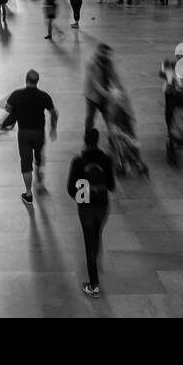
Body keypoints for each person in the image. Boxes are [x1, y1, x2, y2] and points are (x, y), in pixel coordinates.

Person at [66, 127, 116, 298]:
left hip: (86, 206)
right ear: (97, 140)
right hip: (102, 206)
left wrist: (82, 196)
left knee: (89, 245)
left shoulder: (78, 160)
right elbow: (111, 186)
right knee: (96, 234)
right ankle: (96, 259)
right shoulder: (105, 159)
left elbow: (70, 188)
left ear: (85, 140)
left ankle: (93, 286)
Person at [0, 70, 58, 206]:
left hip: (24, 133)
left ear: (26, 80)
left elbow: (8, 108)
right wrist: (53, 128)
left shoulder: (17, 94)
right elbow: (54, 113)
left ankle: (28, 193)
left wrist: (15, 109)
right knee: (38, 156)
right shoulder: (44, 96)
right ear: (37, 81)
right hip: (39, 133)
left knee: (26, 164)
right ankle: (39, 177)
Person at [83, 43, 121, 132]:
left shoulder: (108, 62)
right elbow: (95, 83)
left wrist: (119, 88)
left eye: (107, 54)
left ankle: (112, 137)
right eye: (104, 53)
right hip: (92, 96)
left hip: (104, 96)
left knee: (108, 117)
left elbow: (114, 76)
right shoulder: (91, 63)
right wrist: (106, 94)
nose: (106, 56)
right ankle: (88, 137)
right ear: (99, 52)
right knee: (90, 118)